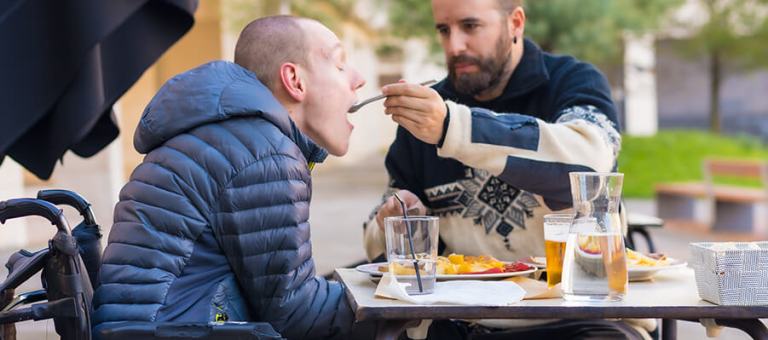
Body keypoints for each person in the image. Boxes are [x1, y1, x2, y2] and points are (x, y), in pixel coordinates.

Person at [363, 0, 651, 339]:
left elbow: (588, 164)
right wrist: (397, 220)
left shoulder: (573, 81)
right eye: (444, 30)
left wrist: (452, 129)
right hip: (460, 323)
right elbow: (378, 244)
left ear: (515, 23)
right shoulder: (426, 112)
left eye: (470, 26)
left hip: (579, 319)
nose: (454, 46)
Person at [92, 16, 365, 339]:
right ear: (295, 80)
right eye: (339, 64)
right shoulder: (264, 153)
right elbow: (295, 314)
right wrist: (388, 302)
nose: (358, 79)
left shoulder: (231, 135)